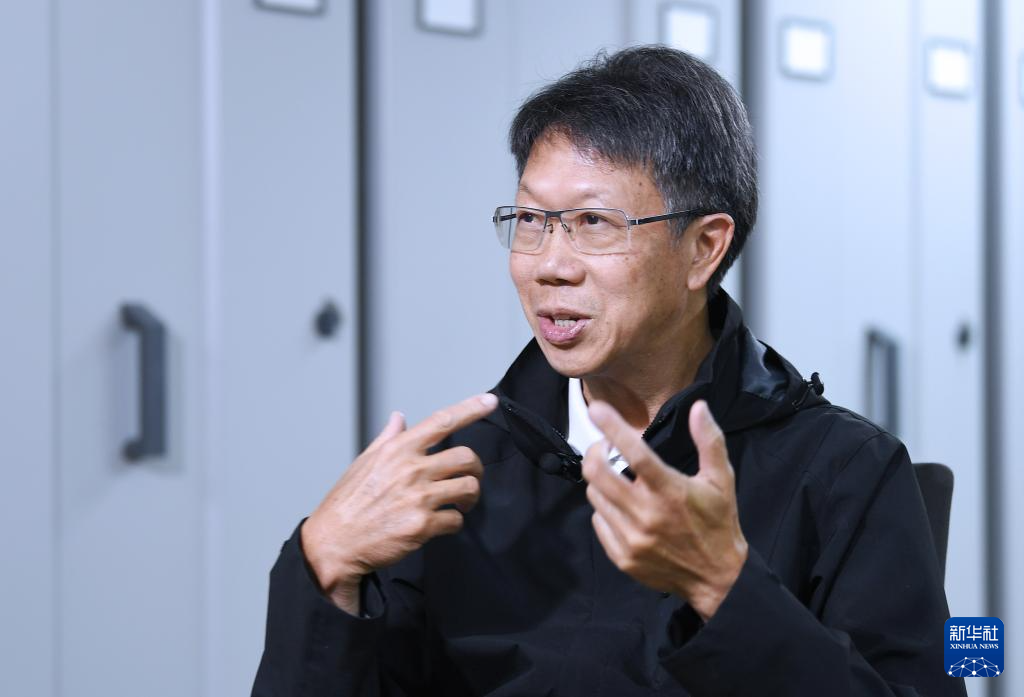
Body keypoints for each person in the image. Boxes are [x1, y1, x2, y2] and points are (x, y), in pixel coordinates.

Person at [252, 46, 964, 696]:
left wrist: (727, 587)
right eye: (530, 220)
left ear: (704, 248)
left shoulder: (844, 471)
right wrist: (323, 566)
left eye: (594, 223)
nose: (549, 266)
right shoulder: (459, 474)